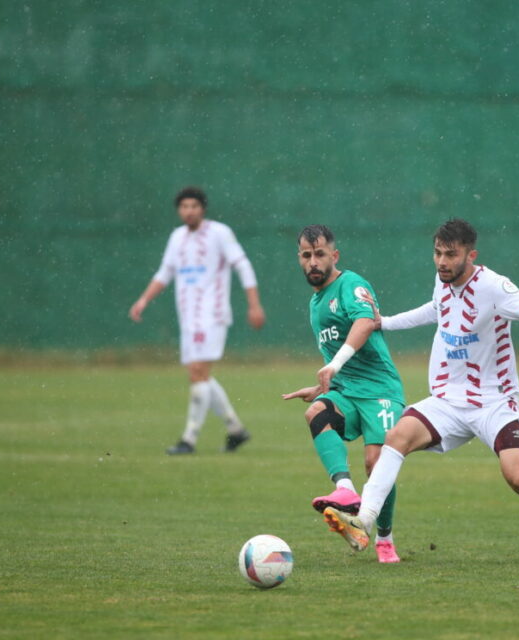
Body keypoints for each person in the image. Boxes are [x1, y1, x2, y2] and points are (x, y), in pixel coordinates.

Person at [321, 219, 519, 565]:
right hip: (447, 402)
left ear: (471, 255)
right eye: (438, 253)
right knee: (395, 437)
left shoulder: (495, 287)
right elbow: (436, 310)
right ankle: (363, 522)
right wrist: (387, 321)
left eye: (451, 255)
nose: (442, 261)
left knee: (518, 477)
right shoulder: (443, 281)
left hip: (495, 404)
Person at [282, 225, 405, 563]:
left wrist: (333, 367)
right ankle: (346, 492)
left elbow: (365, 323)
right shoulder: (314, 304)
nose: (313, 262)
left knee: (376, 463)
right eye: (306, 256)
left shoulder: (352, 284)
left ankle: (384, 538)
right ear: (299, 259)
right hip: (346, 391)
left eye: (320, 254)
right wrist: (324, 385)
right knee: (316, 414)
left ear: (334, 256)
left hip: (381, 389)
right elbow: (334, 358)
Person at [129, 186, 265, 454]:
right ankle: (235, 429)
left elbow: (243, 265)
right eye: (184, 206)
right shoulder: (177, 237)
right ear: (179, 210)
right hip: (188, 318)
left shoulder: (219, 233)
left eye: (193, 206)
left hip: (212, 315)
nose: (189, 211)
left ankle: (189, 439)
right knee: (200, 374)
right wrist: (144, 299)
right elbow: (165, 272)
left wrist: (254, 304)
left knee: (197, 373)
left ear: (202, 208)